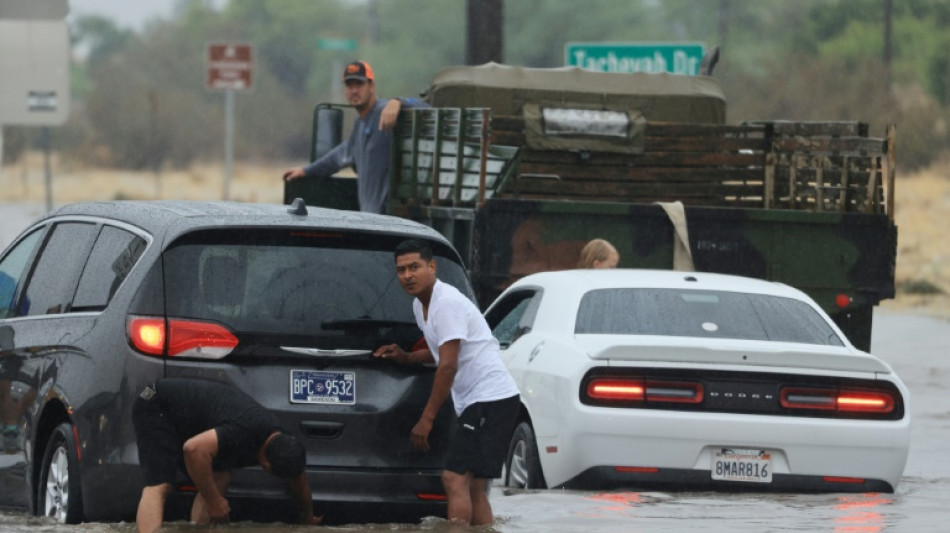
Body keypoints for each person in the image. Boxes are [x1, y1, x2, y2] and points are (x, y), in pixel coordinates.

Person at [373, 239, 520, 527]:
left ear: (432, 267)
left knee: (454, 478)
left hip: (490, 399)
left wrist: (427, 419)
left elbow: (449, 364)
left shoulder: (446, 303)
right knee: (474, 485)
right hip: (486, 402)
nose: (407, 276)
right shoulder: (421, 305)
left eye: (414, 267)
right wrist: (406, 357)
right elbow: (441, 350)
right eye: (401, 270)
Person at [132, 378, 318, 533]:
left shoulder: (285, 444)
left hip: (191, 421)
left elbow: (299, 484)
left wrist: (307, 518)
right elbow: (193, 450)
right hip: (155, 402)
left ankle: (198, 528)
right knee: (159, 485)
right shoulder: (245, 431)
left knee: (221, 476)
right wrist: (214, 502)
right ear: (266, 465)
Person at [282, 60, 429, 214]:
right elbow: (337, 157)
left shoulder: (385, 112)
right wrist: (305, 171)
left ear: (371, 86)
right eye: (349, 85)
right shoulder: (359, 125)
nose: (354, 90)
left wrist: (399, 102)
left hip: (389, 219)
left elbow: (427, 109)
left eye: (359, 84)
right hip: (370, 218)